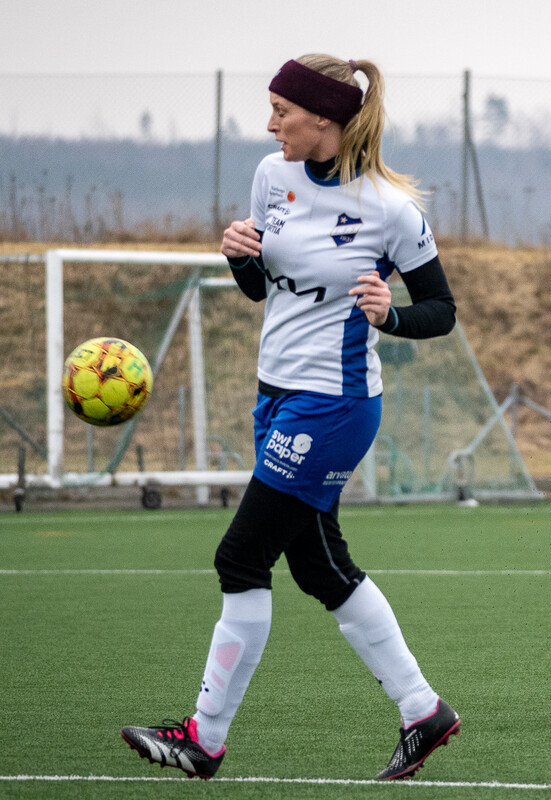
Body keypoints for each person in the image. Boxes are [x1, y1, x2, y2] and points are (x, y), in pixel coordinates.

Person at [121, 55, 460, 781]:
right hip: (275, 396)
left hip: (334, 404)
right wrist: (239, 256)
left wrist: (391, 316)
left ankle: (204, 739)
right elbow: (260, 289)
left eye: (282, 111)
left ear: (325, 119)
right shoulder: (271, 176)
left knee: (240, 558)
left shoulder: (389, 209)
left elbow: (442, 310)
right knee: (318, 566)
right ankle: (422, 710)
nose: (271, 124)